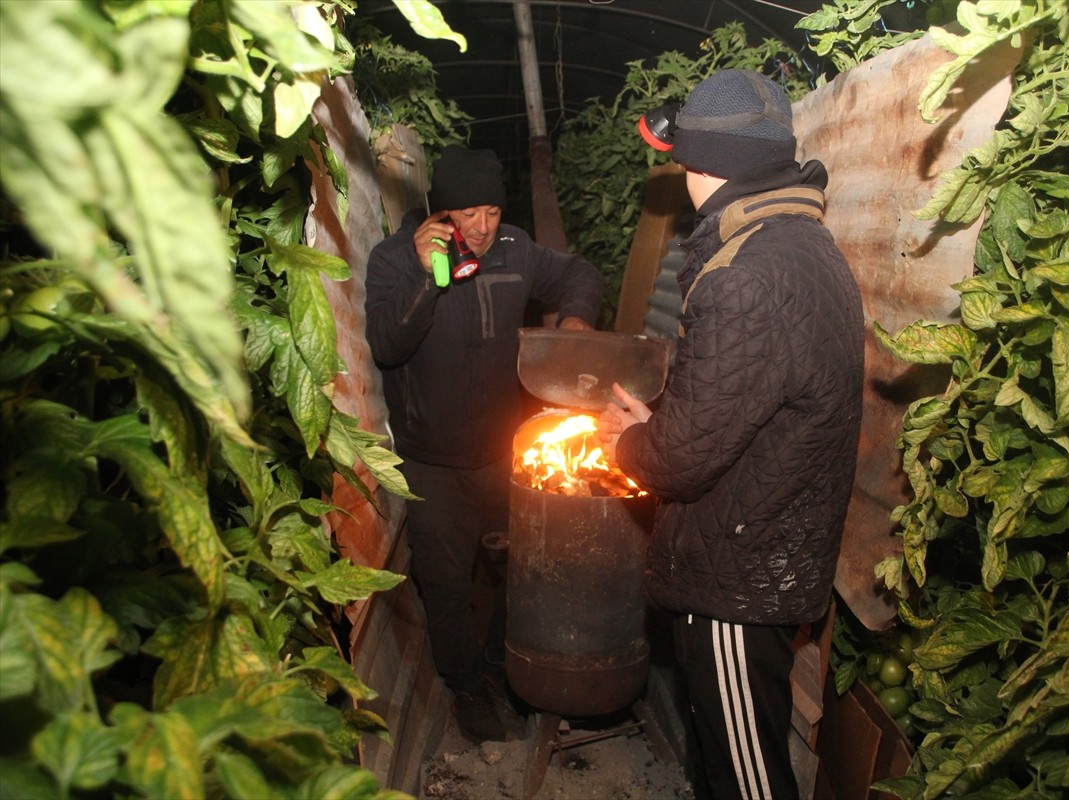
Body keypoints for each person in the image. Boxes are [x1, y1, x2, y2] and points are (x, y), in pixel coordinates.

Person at [598, 69, 864, 800]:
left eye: (682, 157)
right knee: (726, 762)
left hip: (738, 580)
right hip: (764, 546)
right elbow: (742, 408)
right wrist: (668, 422)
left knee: (749, 780)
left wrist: (628, 440)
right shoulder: (801, 246)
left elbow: (680, 462)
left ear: (703, 164)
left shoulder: (745, 275)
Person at [365, 145, 604, 744]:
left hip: (504, 453)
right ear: (440, 213)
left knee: (520, 565)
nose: (481, 228)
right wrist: (426, 276)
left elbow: (579, 273)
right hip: (432, 461)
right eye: (466, 214)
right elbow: (389, 345)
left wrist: (575, 322)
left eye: (491, 211)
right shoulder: (394, 259)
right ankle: (466, 685)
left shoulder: (516, 250)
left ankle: (500, 661)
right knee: (445, 583)